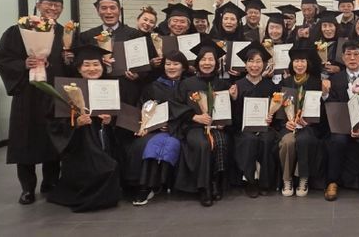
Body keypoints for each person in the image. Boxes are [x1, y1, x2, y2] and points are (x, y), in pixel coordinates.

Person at [0, 0, 70, 205]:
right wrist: (23, 64)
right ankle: (27, 188)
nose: (53, 8)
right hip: (28, 95)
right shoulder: (19, 30)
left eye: (57, 5)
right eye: (49, 4)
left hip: (54, 93)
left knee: (54, 140)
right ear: (38, 5)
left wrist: (69, 60)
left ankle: (50, 183)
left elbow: (73, 66)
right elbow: (0, 58)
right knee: (24, 140)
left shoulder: (65, 34)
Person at [46, 44, 121, 212]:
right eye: (86, 65)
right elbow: (54, 123)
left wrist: (110, 120)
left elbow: (120, 118)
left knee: (110, 163)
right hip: (79, 144)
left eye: (96, 64)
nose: (92, 69)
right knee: (103, 167)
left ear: (102, 67)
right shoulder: (67, 89)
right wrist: (75, 123)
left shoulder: (109, 88)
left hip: (103, 140)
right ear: (79, 69)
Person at [173, 40, 229, 206]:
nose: (207, 63)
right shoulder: (187, 83)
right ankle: (204, 187)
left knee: (222, 142)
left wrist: (223, 122)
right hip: (193, 127)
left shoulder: (222, 84)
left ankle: (216, 182)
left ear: (216, 63)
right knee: (203, 144)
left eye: (211, 59)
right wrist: (194, 117)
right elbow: (176, 105)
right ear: (197, 62)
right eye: (203, 59)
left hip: (216, 127)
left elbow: (227, 109)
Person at [128, 51, 189, 206]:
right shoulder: (153, 86)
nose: (171, 67)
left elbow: (192, 112)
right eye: (168, 64)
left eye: (176, 64)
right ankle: (145, 186)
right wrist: (152, 125)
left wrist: (172, 125)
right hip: (155, 130)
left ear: (183, 67)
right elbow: (144, 108)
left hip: (180, 129)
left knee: (168, 144)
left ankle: (153, 185)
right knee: (153, 144)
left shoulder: (189, 86)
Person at [323, 40, 359, 201]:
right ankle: (332, 182)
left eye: (356, 54)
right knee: (337, 141)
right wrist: (325, 94)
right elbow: (331, 105)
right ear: (342, 57)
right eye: (348, 54)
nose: (352, 58)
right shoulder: (335, 79)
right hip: (341, 126)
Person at [77, 0, 143, 105]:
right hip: (98, 90)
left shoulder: (134, 34)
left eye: (113, 8)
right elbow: (80, 65)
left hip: (126, 90)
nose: (108, 12)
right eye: (103, 8)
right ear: (97, 11)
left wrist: (138, 74)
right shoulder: (87, 36)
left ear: (119, 10)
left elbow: (143, 65)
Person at [230, 42, 279, 198]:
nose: (254, 65)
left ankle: (265, 182)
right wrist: (234, 99)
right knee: (249, 140)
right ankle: (250, 181)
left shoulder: (271, 86)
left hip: (265, 128)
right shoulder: (237, 85)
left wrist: (271, 117)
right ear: (245, 64)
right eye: (250, 61)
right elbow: (233, 117)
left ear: (264, 64)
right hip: (244, 129)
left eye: (258, 61)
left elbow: (277, 112)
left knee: (267, 139)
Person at [277, 47, 326, 197]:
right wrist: (285, 123)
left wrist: (309, 122)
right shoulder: (285, 82)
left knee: (304, 140)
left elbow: (322, 110)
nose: (299, 65)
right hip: (290, 126)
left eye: (302, 61)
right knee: (288, 142)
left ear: (308, 63)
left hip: (309, 127)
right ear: (292, 63)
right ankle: (287, 179)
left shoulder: (316, 83)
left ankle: (303, 179)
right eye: (296, 61)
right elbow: (279, 108)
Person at [315, 10, 342, 77]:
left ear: (336, 27)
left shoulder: (343, 43)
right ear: (320, 28)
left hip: (338, 78)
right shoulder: (315, 44)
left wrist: (339, 69)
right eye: (324, 26)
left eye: (330, 25)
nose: (327, 29)